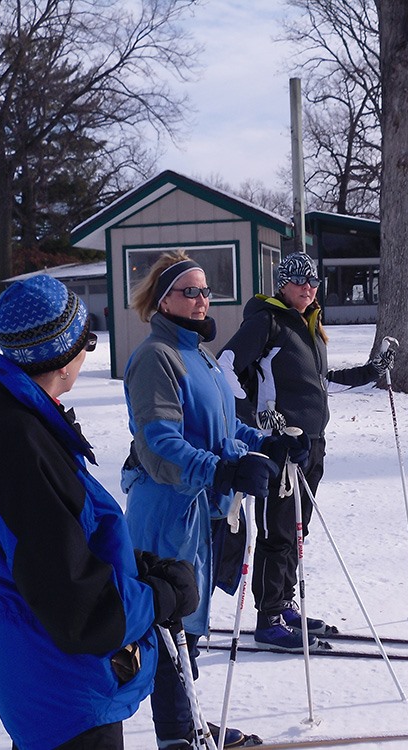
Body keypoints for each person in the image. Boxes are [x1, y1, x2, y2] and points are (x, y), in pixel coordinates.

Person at [0, 274, 199, 750]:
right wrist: (159, 598)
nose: (88, 352)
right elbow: (78, 606)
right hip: (63, 688)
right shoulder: (15, 441)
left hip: (55, 676)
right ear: (61, 357)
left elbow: (59, 541)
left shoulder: (19, 416)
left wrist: (139, 569)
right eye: (87, 339)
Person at [121, 252, 307, 749]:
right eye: (191, 291)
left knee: (190, 624)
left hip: (200, 511)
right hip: (166, 511)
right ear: (164, 299)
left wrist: (267, 443)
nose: (203, 300)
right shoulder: (156, 357)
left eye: (206, 291)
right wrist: (222, 468)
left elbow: (224, 428)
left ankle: (190, 726)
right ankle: (178, 736)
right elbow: (159, 444)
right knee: (169, 628)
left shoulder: (199, 354)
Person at [217, 252, 395, 651]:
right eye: (299, 281)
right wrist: (261, 420)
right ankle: (270, 618)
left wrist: (372, 371)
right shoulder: (266, 320)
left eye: (313, 283)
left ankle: (284, 603)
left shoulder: (309, 326)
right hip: (282, 447)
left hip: (311, 445)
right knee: (278, 530)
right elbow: (224, 367)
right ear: (282, 283)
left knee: (297, 530)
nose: (308, 288)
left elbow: (320, 384)